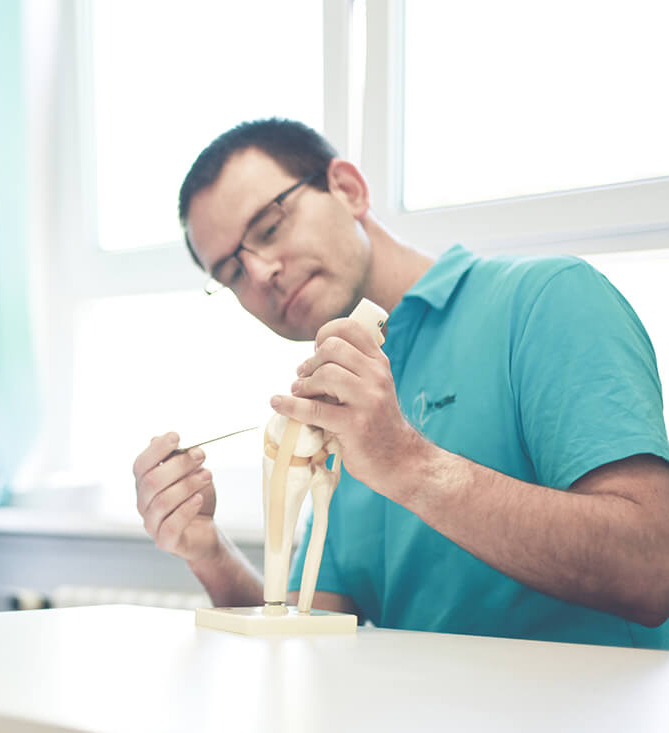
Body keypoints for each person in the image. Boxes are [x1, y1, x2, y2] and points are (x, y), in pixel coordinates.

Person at [132, 118, 669, 649]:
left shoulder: (547, 301)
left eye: (270, 229)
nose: (262, 272)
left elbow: (654, 569)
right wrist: (208, 553)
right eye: (231, 274)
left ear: (348, 189)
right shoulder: (338, 397)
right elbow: (306, 636)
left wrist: (409, 464)